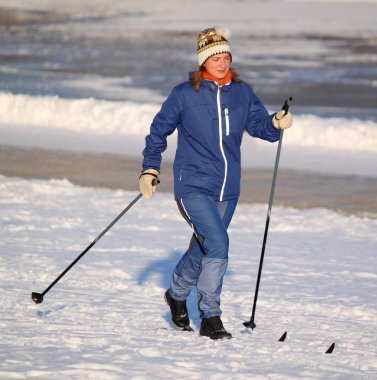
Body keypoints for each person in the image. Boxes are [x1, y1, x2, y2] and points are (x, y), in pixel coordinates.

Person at [139, 26, 293, 340]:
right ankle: (210, 316)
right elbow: (157, 133)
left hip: (228, 188)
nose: (221, 63)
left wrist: (276, 122)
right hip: (192, 184)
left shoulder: (242, 91)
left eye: (225, 56)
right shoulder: (184, 94)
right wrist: (149, 169)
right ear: (203, 62)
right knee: (218, 244)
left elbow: (259, 126)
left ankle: (176, 293)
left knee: (204, 246)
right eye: (214, 57)